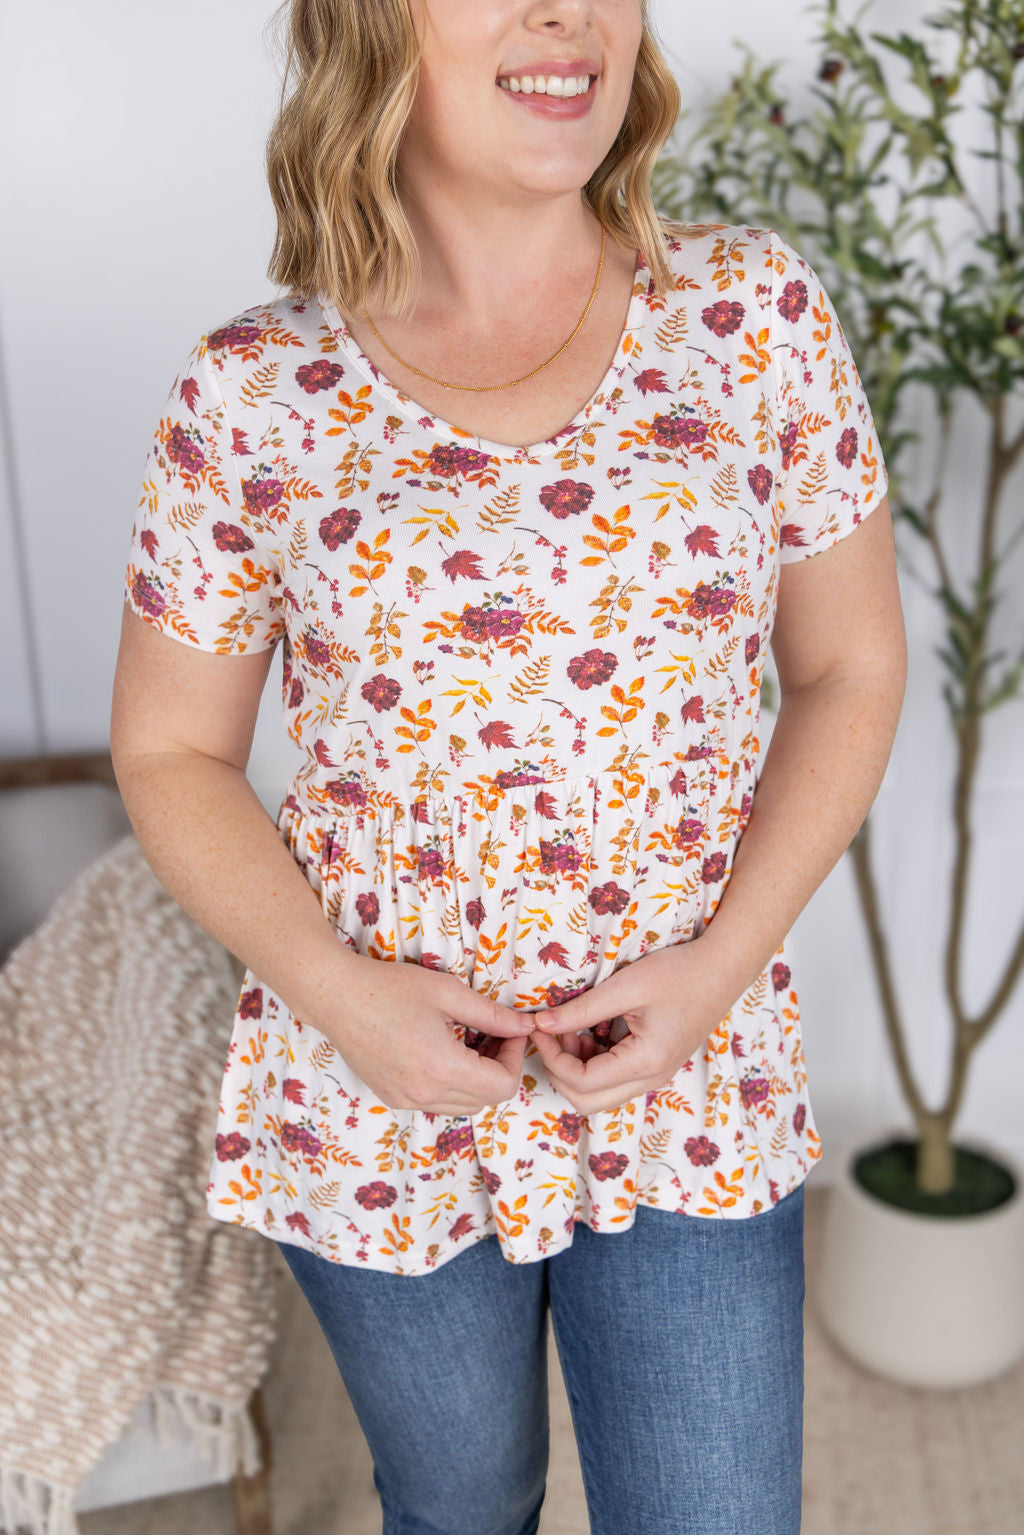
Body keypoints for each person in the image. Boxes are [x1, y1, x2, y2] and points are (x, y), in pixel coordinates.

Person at [109, 1, 907, 1531]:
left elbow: (850, 667)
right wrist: (347, 1002)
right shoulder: (251, 392)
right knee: (459, 1510)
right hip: (377, 1094)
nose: (567, 12)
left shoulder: (752, 316)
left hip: (690, 1078)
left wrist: (721, 969)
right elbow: (169, 748)